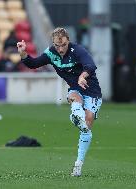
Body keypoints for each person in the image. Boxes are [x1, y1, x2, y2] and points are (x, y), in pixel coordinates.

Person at [17, 27, 102, 177]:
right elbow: (33, 63)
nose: (61, 48)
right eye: (57, 45)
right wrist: (23, 53)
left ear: (68, 41)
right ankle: (75, 114)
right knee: (74, 97)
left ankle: (78, 164)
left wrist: (83, 75)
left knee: (86, 125)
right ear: (53, 43)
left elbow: (90, 65)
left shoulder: (77, 50)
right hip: (76, 88)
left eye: (63, 45)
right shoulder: (51, 53)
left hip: (92, 90)